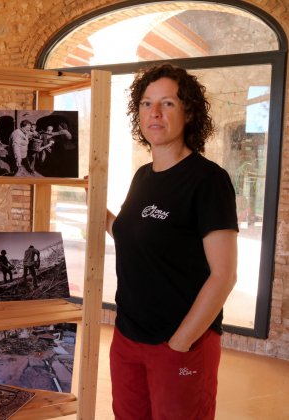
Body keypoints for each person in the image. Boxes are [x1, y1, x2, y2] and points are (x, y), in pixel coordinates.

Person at [104, 63, 238, 420]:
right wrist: (96, 208)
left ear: (189, 112)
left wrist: (180, 343)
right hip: (128, 337)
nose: (155, 113)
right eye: (147, 104)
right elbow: (132, 234)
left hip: (181, 342)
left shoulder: (208, 180)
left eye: (168, 103)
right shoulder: (143, 176)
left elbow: (224, 275)